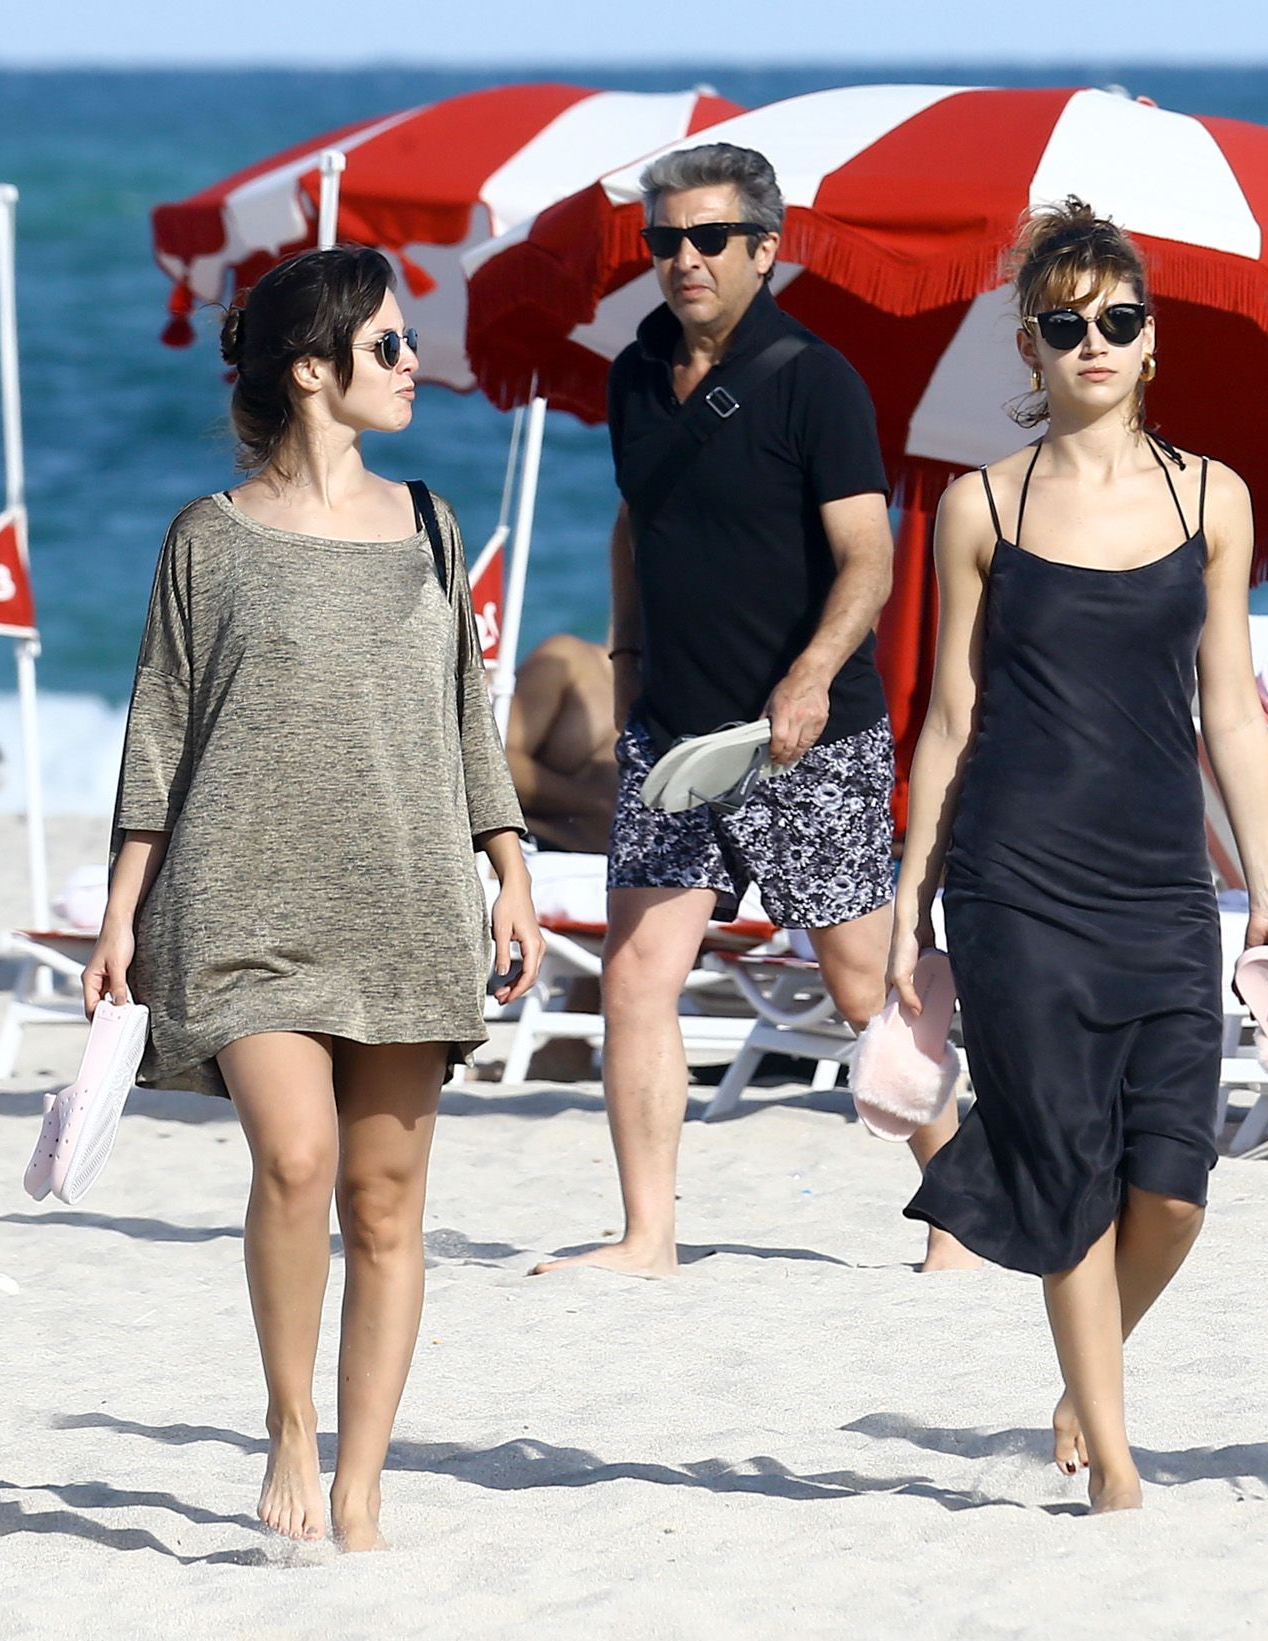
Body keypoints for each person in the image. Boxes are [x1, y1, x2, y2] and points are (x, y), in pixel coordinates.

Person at [83, 246, 541, 1550]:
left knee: (385, 1207)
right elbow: (161, 728)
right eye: (387, 346)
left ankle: (360, 1485)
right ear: (308, 370)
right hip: (240, 901)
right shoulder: (207, 539)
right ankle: (291, 1424)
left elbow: (465, 716)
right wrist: (121, 911)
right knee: (296, 1161)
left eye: (408, 344)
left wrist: (508, 869)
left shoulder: (433, 525)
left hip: (407, 901)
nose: (412, 365)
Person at [894, 199, 1268, 1513]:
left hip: (1160, 882)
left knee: (1173, 1188)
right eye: (1064, 325)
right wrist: (910, 892)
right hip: (1014, 880)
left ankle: (1090, 1379)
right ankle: (1116, 1471)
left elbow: (1231, 713)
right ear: (1027, 347)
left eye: (1116, 321)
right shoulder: (979, 507)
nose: (1093, 343)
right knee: (1066, 1168)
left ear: (1150, 342)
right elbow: (948, 716)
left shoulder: (1212, 498)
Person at [532, 142, 971, 1277]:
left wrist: (811, 673)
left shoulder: (814, 380)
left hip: (804, 738)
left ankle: (964, 1218)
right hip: (674, 735)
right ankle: (647, 1237)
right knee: (636, 977)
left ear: (765, 248)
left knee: (864, 985)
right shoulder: (635, 374)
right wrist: (626, 661)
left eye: (709, 238)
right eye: (665, 240)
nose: (684, 258)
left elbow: (868, 556)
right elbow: (635, 522)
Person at [504, 633, 618, 853]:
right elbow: (490, 762)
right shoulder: (572, 662)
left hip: (622, 867)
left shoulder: (682, 709)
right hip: (533, 849)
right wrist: (596, 803)